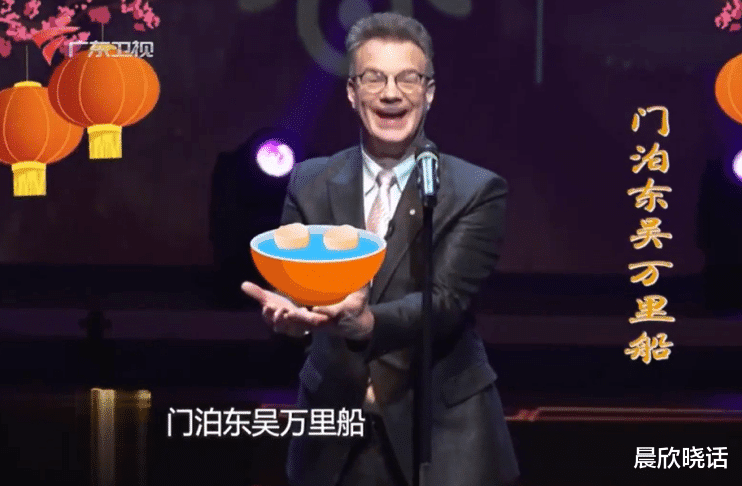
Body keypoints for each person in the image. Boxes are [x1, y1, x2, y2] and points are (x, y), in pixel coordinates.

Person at [242, 12, 519, 486]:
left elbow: (446, 302)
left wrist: (368, 323)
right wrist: (291, 313)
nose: (391, 93)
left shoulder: (475, 189)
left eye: (408, 78)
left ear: (429, 92)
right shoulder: (311, 180)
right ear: (352, 92)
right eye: (374, 78)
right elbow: (295, 281)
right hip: (335, 431)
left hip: (441, 432)